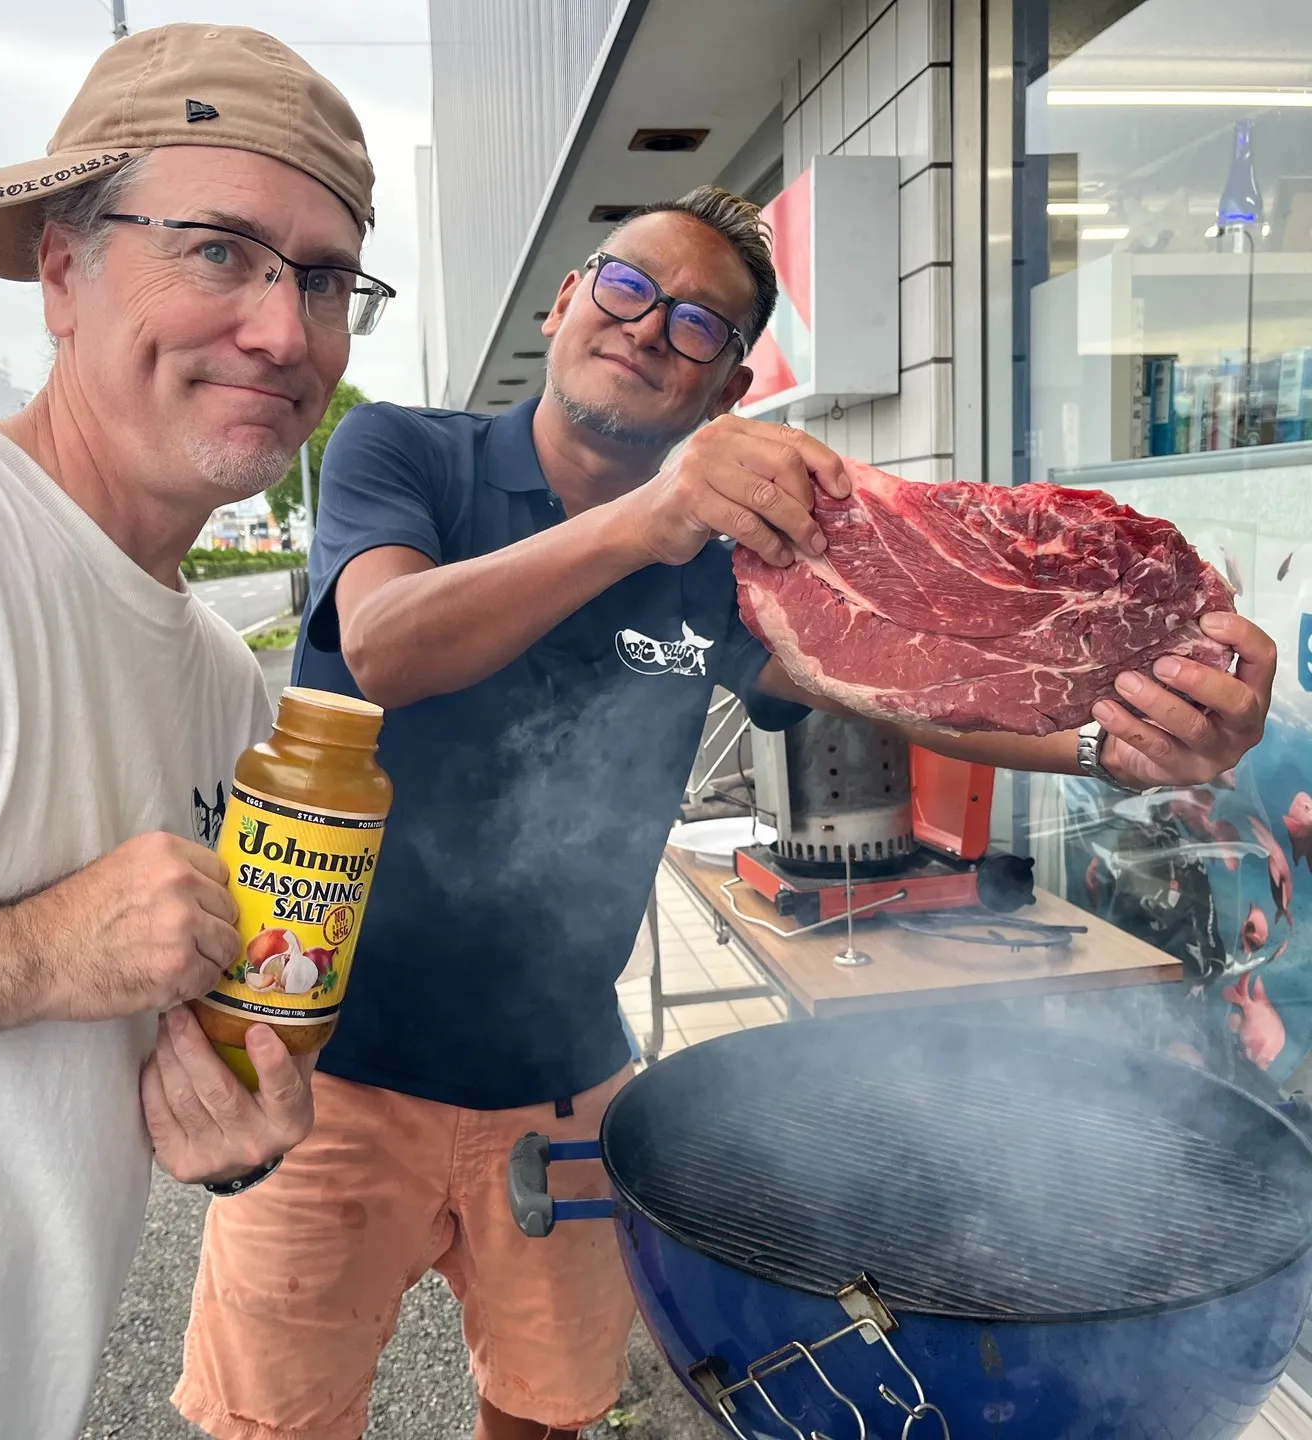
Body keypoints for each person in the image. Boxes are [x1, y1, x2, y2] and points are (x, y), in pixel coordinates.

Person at [175, 187, 1275, 1440]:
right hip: (327, 1070)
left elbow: (886, 685)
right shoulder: (409, 458)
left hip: (564, 1079)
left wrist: (1109, 743)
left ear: (727, 387)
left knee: (547, 1412)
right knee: (275, 1423)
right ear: (567, 300)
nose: (649, 328)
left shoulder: (723, 568)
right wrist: (649, 518)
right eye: (630, 287)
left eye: (697, 325)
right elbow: (381, 646)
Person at [0, 25, 395, 1440]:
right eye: (217, 248)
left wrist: (229, 1133)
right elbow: (60, 966)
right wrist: (37, 950)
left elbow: (140, 1072)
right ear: (61, 268)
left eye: (325, 278)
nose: (286, 332)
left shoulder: (231, 692)